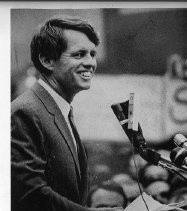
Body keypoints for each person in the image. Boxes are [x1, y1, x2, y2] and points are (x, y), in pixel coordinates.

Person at [11, 15, 123, 211]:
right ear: (47, 60)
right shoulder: (25, 111)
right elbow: (31, 195)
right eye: (79, 55)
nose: (91, 63)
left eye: (92, 54)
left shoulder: (59, 109)